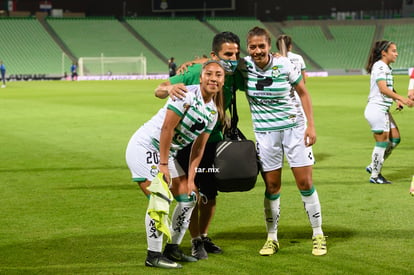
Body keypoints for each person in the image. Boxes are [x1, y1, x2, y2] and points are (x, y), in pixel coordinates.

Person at [126, 60, 225, 269]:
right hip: (145, 147)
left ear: (223, 81)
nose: (213, 78)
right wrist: (163, 164)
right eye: (209, 74)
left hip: (166, 153)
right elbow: (166, 129)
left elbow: (198, 149)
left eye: (218, 75)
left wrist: (190, 180)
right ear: (201, 77)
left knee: (189, 198)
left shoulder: (213, 113)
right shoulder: (186, 95)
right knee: (160, 197)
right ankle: (153, 255)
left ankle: (173, 249)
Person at [238, 26, 326, 256]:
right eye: (253, 46)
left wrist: (311, 125)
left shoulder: (284, 64)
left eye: (261, 46)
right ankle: (271, 238)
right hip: (266, 134)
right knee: (272, 186)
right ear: (248, 48)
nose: (257, 50)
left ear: (269, 46)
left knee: (305, 183)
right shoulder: (243, 66)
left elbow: (303, 92)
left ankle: (318, 234)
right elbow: (215, 63)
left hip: (294, 129)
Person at [154, 31, 241, 260]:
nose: (232, 59)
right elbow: (159, 89)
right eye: (227, 54)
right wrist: (169, 89)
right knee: (191, 192)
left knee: (210, 193)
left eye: (235, 54)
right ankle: (193, 242)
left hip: (212, 143)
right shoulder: (194, 72)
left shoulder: (236, 74)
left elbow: (259, 63)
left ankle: (203, 235)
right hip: (185, 144)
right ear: (214, 55)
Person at [364, 40, 413, 184]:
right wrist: (402, 99)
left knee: (395, 139)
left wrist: (396, 99)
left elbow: (388, 88)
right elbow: (383, 88)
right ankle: (375, 175)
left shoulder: (385, 67)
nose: (396, 54)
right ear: (384, 53)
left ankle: (374, 165)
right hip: (376, 109)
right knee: (382, 142)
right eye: (393, 51)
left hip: (383, 109)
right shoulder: (380, 66)